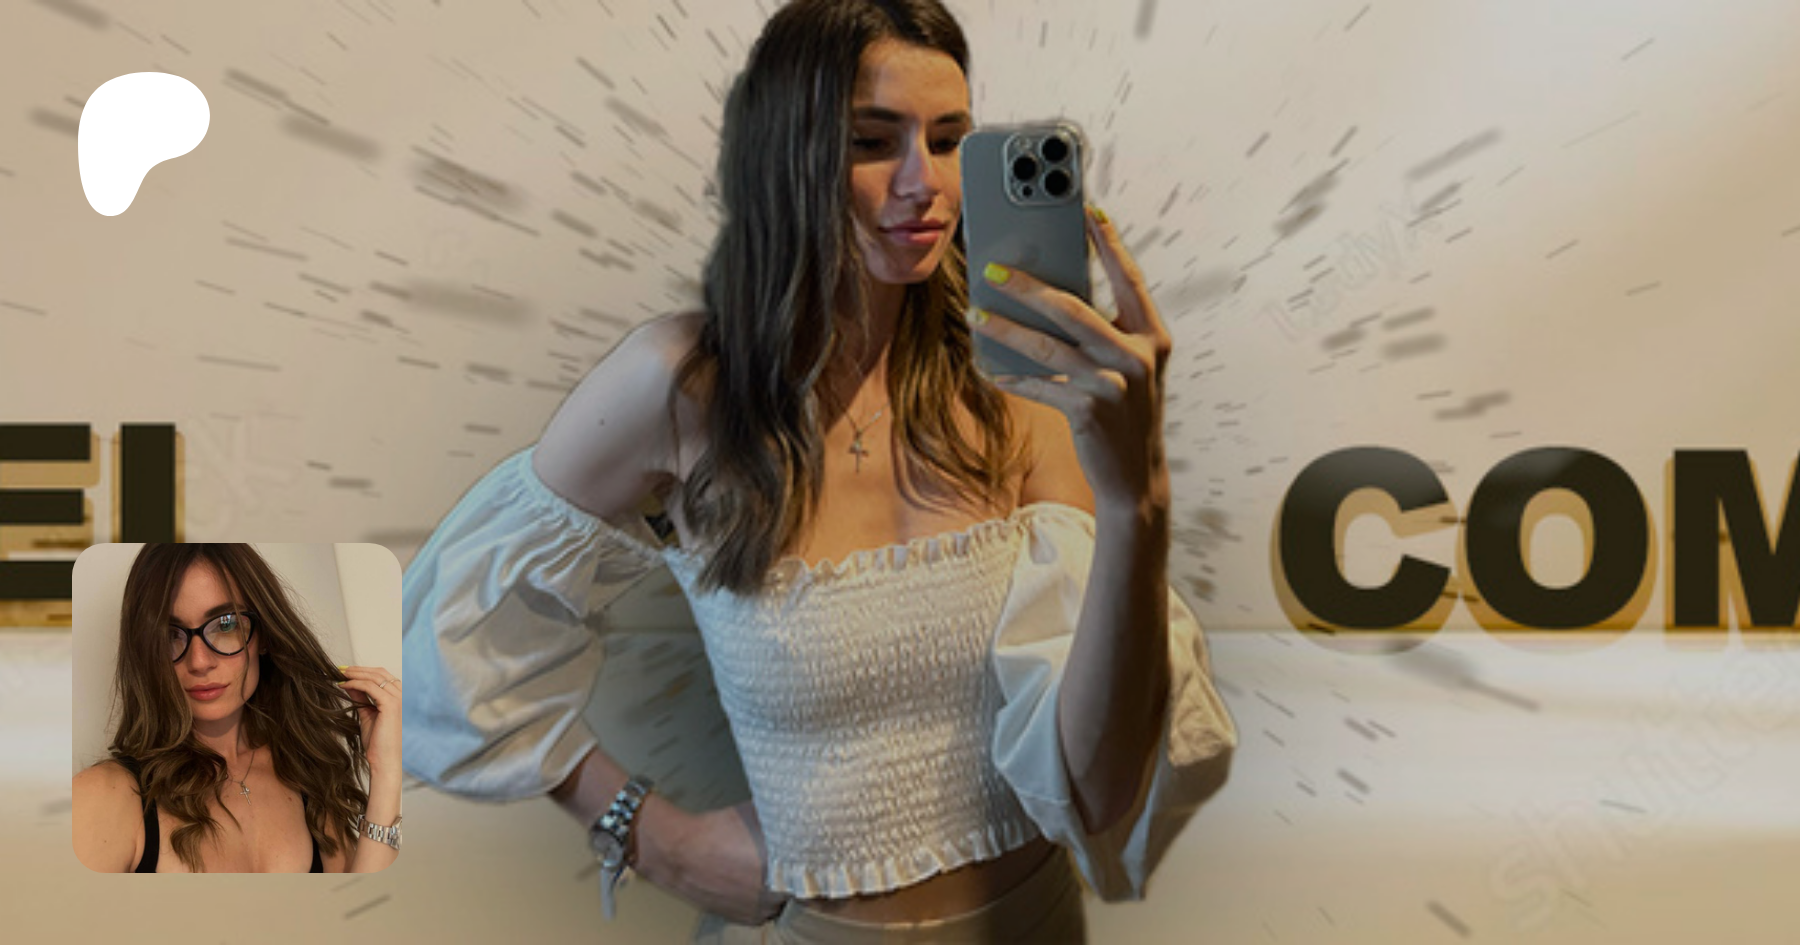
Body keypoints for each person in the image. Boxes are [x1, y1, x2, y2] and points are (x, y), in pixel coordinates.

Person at [402, 0, 1237, 940]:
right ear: (786, 155)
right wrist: (652, 836)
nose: (926, 183)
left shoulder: (1023, 389)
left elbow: (1096, 787)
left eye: (949, 139)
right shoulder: (683, 386)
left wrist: (1136, 502)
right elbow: (446, 645)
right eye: (873, 142)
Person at [71, 544, 403, 873]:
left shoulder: (308, 777)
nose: (199, 661)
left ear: (265, 635)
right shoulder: (102, 798)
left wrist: (386, 771)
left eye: (225, 624)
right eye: (169, 634)